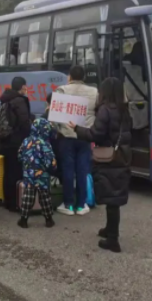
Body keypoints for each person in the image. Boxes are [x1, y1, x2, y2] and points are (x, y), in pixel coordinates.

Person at [70, 77, 132, 253]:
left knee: (112, 199)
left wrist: (76, 129)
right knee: (114, 197)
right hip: (122, 156)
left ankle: (113, 240)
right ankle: (109, 229)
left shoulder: (105, 110)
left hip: (109, 158)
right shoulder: (124, 110)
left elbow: (95, 134)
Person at [54, 66, 98, 216]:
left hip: (66, 137)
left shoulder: (62, 90)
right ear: (84, 77)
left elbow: (54, 117)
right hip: (85, 136)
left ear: (70, 77)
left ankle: (68, 204)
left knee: (67, 170)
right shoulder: (94, 92)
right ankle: (81, 205)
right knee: (82, 170)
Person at [0, 77, 32, 212]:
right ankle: (14, 203)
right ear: (23, 87)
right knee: (16, 172)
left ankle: (8, 200)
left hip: (6, 140)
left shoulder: (6, 99)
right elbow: (24, 122)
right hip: (17, 141)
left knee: (8, 171)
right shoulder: (20, 100)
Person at [17, 119, 57, 229]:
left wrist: (25, 164)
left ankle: (23, 220)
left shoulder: (26, 141)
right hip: (43, 176)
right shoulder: (46, 144)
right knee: (45, 198)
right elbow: (51, 161)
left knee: (28, 197)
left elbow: (19, 155)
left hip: (29, 175)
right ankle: (49, 219)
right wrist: (53, 168)